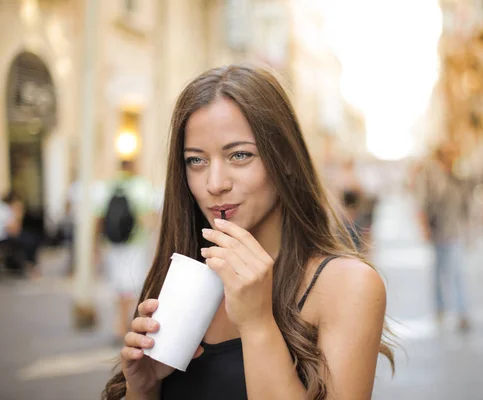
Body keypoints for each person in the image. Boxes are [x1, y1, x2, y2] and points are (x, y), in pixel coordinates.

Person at [103, 65, 395, 400]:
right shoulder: (183, 279)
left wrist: (258, 325)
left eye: (239, 155)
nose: (215, 184)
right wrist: (144, 390)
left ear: (284, 158)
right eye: (196, 161)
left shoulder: (348, 285)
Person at [96, 160, 157, 343]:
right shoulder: (141, 186)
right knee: (132, 285)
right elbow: (147, 217)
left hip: (113, 243)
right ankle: (126, 325)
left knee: (119, 287)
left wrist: (95, 247)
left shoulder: (108, 186)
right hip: (135, 243)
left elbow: (98, 217)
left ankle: (119, 325)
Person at [417, 142, 472, 332]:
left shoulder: (457, 175)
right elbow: (422, 203)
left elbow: (464, 202)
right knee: (439, 272)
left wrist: (469, 228)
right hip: (437, 231)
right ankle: (440, 308)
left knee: (457, 272)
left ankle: (462, 313)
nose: (451, 156)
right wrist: (424, 228)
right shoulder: (430, 174)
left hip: (454, 231)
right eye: (448, 153)